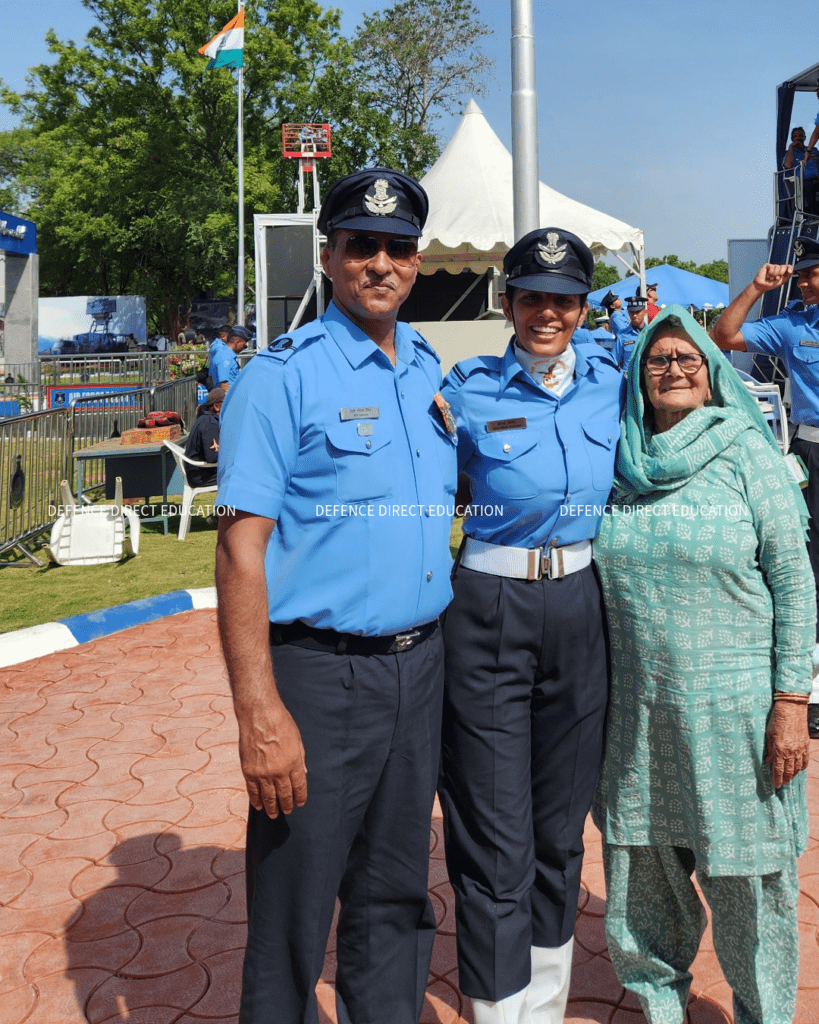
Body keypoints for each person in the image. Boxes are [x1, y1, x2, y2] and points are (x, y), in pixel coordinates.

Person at [214, 167, 457, 1024]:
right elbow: (241, 549)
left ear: (417, 261)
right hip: (320, 680)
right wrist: (258, 712)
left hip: (418, 670)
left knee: (395, 895)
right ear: (329, 256)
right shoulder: (282, 376)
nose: (380, 263)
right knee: (293, 910)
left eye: (397, 247)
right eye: (362, 246)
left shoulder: (425, 366)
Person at [593, 305, 814, 1024]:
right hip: (638, 718)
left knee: (750, 885)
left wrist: (791, 703)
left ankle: (763, 1013)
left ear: (712, 373)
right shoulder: (617, 459)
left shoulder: (746, 453)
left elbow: (795, 582)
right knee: (642, 880)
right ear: (637, 375)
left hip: (740, 718)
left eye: (687, 359)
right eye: (657, 360)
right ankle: (660, 1007)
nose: (673, 370)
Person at [438, 228, 622, 1024]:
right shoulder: (463, 388)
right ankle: (495, 1009)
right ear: (505, 302)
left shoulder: (613, 385)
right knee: (491, 838)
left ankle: (540, 1009)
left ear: (583, 307)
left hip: (581, 611)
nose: (547, 312)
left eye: (563, 299)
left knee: (557, 835)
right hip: (486, 612)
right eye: (530, 297)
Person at [712, 236, 819, 736]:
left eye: (811, 273)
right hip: (811, 452)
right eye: (803, 275)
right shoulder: (793, 325)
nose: (805, 281)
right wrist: (756, 286)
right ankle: (808, 691)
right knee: (803, 562)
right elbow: (723, 336)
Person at [183, 387, 223, 487]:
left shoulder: (208, 419)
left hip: (202, 471)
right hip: (201, 475)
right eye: (227, 404)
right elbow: (213, 457)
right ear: (217, 406)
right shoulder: (209, 424)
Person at [783, 126, 819, 215]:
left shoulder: (813, 150)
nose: (798, 138)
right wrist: (791, 147)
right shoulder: (790, 153)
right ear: (792, 139)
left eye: (800, 135)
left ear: (805, 137)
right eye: (795, 136)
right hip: (803, 182)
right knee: (809, 187)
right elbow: (787, 166)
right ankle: (812, 217)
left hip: (817, 178)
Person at [612, 294, 647, 371]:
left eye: (637, 312)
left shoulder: (651, 332)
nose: (634, 315)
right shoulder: (622, 335)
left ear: (645, 312)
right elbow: (616, 361)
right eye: (631, 312)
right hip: (629, 379)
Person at [211, 324, 250, 391]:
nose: (243, 348)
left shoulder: (226, 354)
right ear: (237, 341)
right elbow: (224, 385)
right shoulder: (225, 356)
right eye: (244, 345)